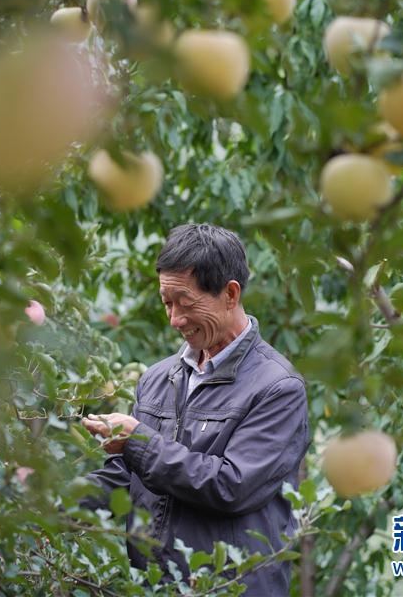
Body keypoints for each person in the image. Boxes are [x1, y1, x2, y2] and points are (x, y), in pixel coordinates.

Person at [80, 223, 310, 595]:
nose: (175, 319)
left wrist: (137, 440)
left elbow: (230, 486)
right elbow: (127, 476)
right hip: (155, 586)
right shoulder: (156, 380)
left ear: (230, 294)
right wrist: (50, 502)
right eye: (167, 303)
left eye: (185, 303)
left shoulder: (277, 388)